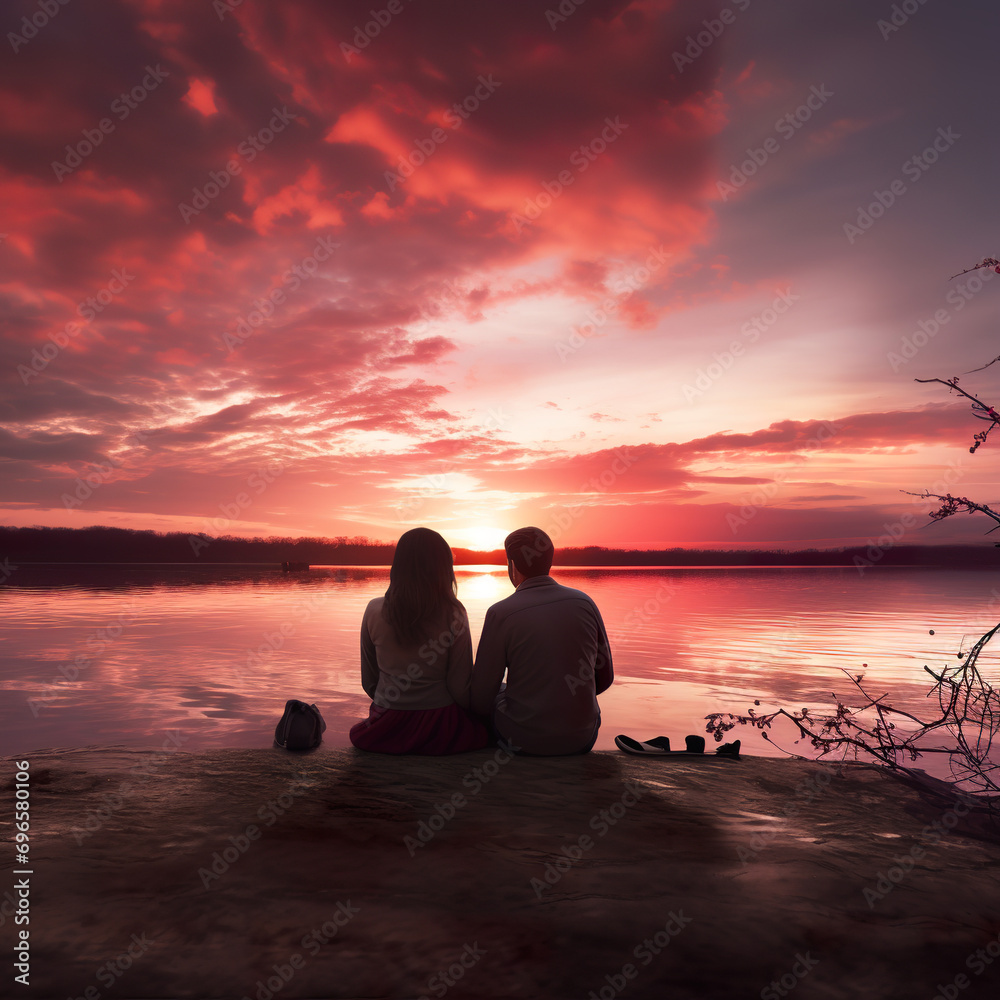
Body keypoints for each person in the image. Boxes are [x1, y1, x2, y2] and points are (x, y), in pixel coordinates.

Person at [471, 526, 613, 755]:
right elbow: (604, 679)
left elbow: (479, 701)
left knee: (498, 691)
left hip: (523, 741)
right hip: (583, 738)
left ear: (512, 565)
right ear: (550, 560)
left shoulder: (501, 612)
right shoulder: (585, 603)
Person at [350, 527, 490, 754]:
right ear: (443, 567)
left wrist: (392, 702)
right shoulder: (454, 612)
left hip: (386, 721)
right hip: (438, 723)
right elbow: (459, 688)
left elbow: (369, 682)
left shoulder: (373, 609)